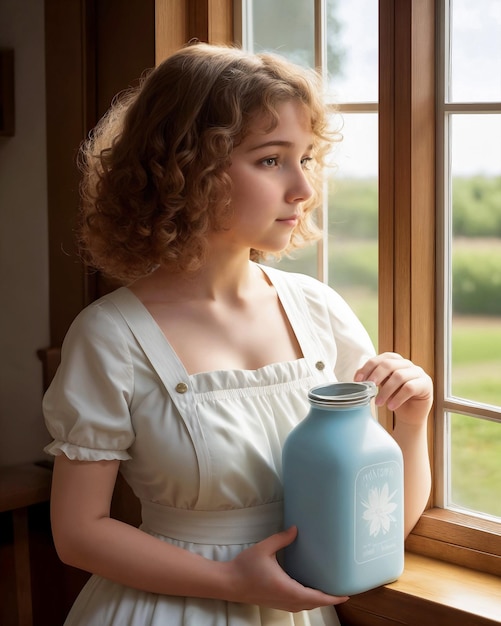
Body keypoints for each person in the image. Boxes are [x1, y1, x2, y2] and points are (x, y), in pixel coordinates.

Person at [43, 42, 433, 626]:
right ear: (186, 167)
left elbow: (375, 525)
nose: (302, 189)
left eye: (306, 159)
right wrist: (231, 580)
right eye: (272, 160)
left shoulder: (319, 312)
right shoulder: (110, 336)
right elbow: (78, 534)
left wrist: (412, 421)